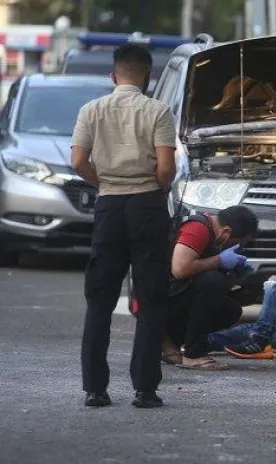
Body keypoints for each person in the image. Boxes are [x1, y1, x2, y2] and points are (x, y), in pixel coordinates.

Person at [71, 44, 176, 408]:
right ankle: (145, 389)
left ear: (113, 76)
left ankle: (95, 389)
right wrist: (152, 189)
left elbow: (78, 161)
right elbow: (166, 168)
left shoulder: (91, 110)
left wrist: (104, 184)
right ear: (147, 77)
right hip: (147, 204)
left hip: (109, 207)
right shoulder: (158, 111)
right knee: (151, 298)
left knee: (99, 298)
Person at [162, 206, 258, 370]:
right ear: (226, 231)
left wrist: (235, 276)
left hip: (179, 295)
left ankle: (174, 342)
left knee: (231, 309)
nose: (236, 247)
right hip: (162, 299)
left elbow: (215, 291)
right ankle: (193, 353)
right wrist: (219, 261)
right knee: (212, 281)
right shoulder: (197, 229)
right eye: (236, 243)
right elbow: (180, 269)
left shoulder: (216, 237)